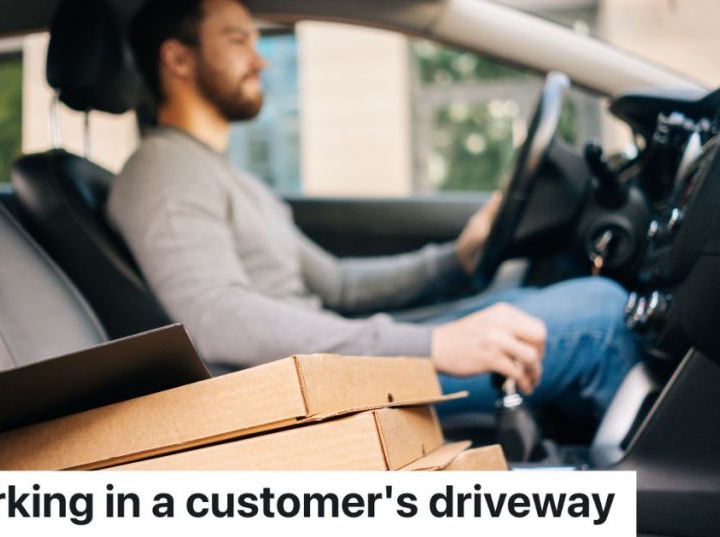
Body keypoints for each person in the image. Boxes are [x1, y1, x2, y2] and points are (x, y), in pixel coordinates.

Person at [109, 0, 641, 422]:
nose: (260, 58)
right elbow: (216, 320)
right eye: (237, 40)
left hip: (328, 368)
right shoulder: (162, 170)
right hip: (305, 396)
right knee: (598, 314)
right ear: (178, 59)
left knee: (520, 310)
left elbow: (337, 285)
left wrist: (455, 259)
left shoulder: (229, 176)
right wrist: (431, 345)